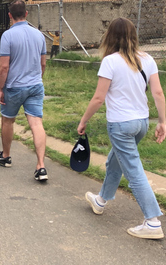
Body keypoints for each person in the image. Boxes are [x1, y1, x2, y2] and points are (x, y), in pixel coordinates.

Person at [77, 17, 166, 240]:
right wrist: (163, 122)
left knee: (133, 170)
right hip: (142, 123)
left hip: (120, 125)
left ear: (110, 36)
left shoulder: (110, 62)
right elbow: (158, 93)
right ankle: (101, 200)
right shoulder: (148, 59)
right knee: (115, 161)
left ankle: (152, 222)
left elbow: (99, 97)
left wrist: (84, 120)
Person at [0, 0, 48, 181]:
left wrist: (0, 88)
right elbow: (43, 63)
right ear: (26, 14)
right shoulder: (39, 35)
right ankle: (41, 165)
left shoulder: (8, 36)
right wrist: (38, 77)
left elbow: (3, 67)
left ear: (9, 15)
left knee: (7, 121)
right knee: (36, 123)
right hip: (35, 85)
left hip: (15, 86)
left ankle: (6, 156)